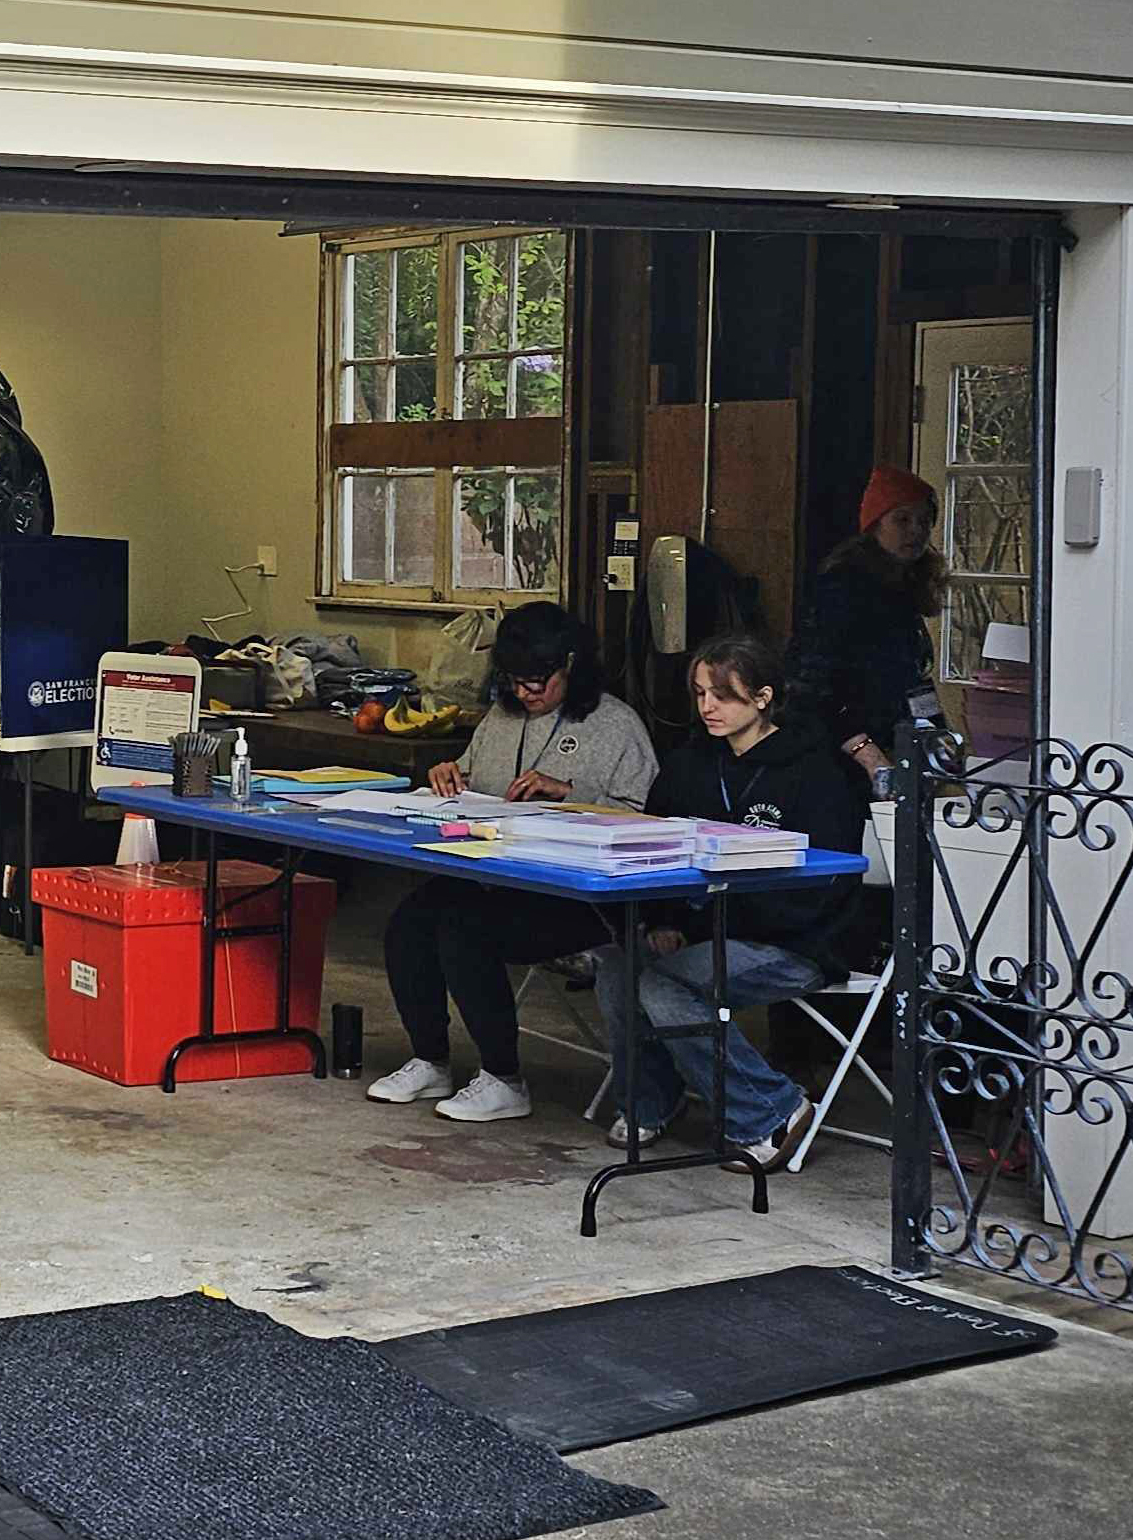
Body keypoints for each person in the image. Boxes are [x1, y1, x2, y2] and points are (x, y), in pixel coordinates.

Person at [368, 602, 660, 1124]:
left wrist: (567, 792)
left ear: (572, 665)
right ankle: (431, 1059)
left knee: (463, 930)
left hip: (581, 897)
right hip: (501, 875)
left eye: (539, 682)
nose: (526, 694)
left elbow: (646, 821)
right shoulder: (500, 720)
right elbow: (476, 783)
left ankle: (504, 1077)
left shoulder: (618, 726)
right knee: (408, 923)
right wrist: (449, 774)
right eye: (515, 682)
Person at [597, 633, 864, 1174]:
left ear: (764, 698)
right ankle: (649, 1099)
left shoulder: (814, 772)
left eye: (723, 695)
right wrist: (665, 917)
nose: (707, 708)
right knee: (616, 964)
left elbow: (827, 883)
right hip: (705, 928)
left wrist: (711, 921)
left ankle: (771, 1111)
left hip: (794, 939)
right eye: (699, 694)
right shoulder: (689, 763)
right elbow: (655, 843)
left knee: (661, 983)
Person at [787, 465, 945, 795]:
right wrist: (866, 753)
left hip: (897, 745)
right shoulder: (842, 589)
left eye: (923, 521)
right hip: (839, 758)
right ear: (874, 526)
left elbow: (912, 681)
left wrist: (939, 741)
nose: (915, 531)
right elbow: (810, 687)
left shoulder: (904, 589)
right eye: (901, 520)